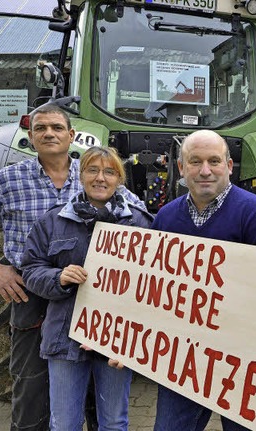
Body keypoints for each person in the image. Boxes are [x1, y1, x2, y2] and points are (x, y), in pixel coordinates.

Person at [0, 102, 145, 430]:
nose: (49, 134)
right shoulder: (9, 178)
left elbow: (138, 215)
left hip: (90, 292)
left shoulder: (92, 173)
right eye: (41, 128)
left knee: (100, 387)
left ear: (71, 135)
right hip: (30, 290)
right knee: (31, 384)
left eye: (56, 128)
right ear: (30, 136)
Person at [151, 129, 256, 431]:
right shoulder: (166, 219)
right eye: (195, 162)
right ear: (182, 168)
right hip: (181, 358)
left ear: (229, 166)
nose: (205, 170)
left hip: (241, 360)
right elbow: (154, 290)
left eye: (214, 161)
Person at [21, 146, 152, 430]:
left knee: (114, 423)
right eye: (92, 170)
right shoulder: (53, 221)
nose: (100, 178)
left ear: (119, 179)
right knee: (65, 423)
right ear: (80, 176)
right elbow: (31, 269)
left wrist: (134, 341)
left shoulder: (140, 223)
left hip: (118, 340)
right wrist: (58, 277)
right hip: (64, 338)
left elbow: (153, 286)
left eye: (109, 172)